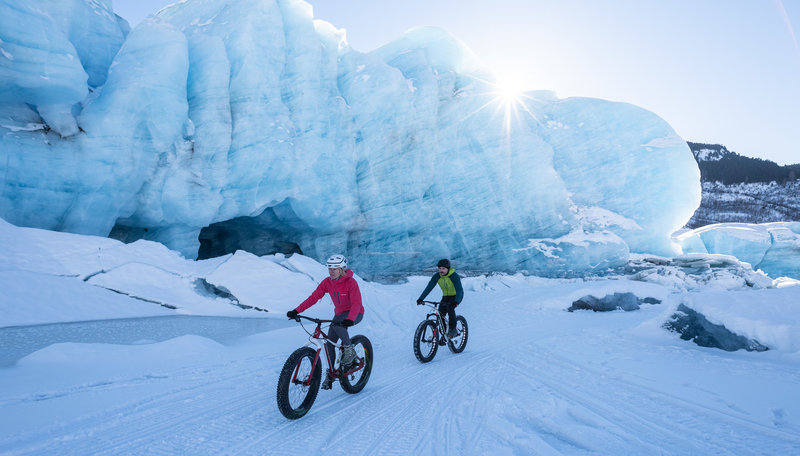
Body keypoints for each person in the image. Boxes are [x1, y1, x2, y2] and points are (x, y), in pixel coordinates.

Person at [287, 254, 364, 390]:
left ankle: (349, 350)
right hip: (340, 315)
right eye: (329, 268)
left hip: (355, 313)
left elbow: (357, 303)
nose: (331, 271)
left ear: (342, 269)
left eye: (334, 268)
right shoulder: (327, 282)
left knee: (337, 324)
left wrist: (350, 319)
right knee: (329, 344)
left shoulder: (351, 283)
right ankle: (331, 373)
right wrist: (296, 310)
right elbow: (313, 298)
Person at [416, 258, 463, 338]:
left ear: (448, 268)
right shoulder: (437, 276)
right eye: (440, 268)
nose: (441, 270)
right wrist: (421, 298)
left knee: (450, 309)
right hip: (445, 296)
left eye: (443, 269)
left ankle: (453, 330)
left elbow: (459, 290)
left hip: (456, 296)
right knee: (441, 314)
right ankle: (444, 335)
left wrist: (456, 301)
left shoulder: (453, 276)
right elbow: (429, 288)